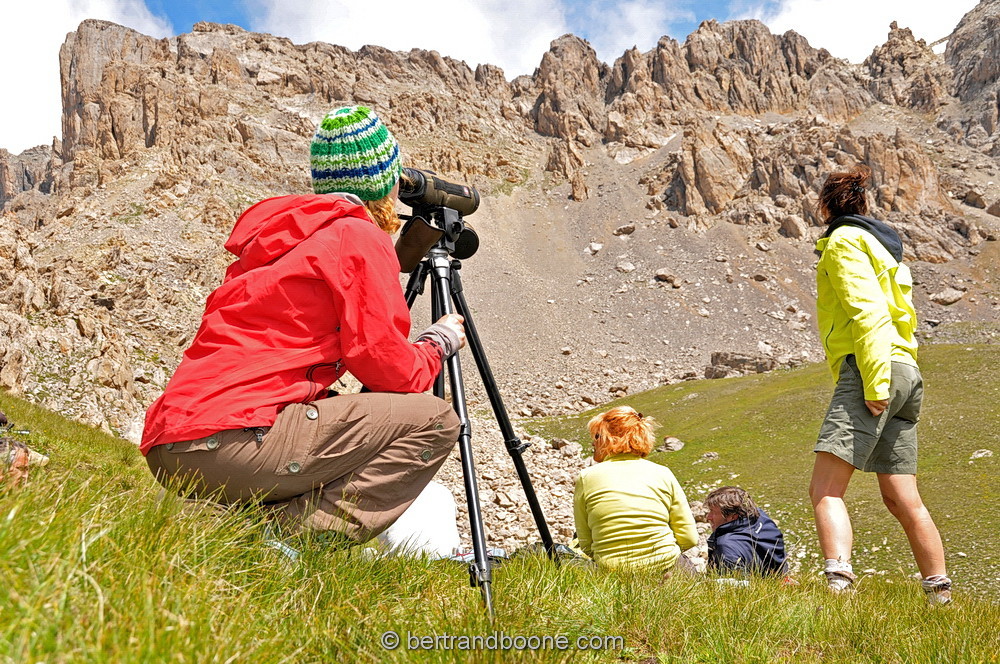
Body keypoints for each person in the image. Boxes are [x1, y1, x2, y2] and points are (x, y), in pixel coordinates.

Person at [141, 105, 464, 545]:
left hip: (170, 445)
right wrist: (435, 344)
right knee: (436, 420)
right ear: (383, 183)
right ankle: (272, 542)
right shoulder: (356, 235)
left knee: (324, 408)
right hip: (233, 442)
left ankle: (217, 520)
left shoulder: (283, 237)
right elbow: (385, 365)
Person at [810, 164, 951, 604]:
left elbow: (867, 314)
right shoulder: (885, 250)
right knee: (902, 497)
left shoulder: (842, 242)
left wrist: (874, 383)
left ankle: (838, 590)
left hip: (876, 370)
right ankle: (939, 594)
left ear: (825, 206)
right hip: (906, 370)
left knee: (826, 489)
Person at [573, 406, 698, 575]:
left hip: (612, 573)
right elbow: (689, 538)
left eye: (597, 435)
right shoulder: (663, 473)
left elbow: (586, 543)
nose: (593, 442)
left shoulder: (586, 477)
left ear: (607, 438)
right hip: (666, 569)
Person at [705, 486, 787, 576]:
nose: (708, 517)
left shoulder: (727, 547)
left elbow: (732, 588)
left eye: (713, 512)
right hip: (778, 580)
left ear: (733, 516)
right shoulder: (761, 518)